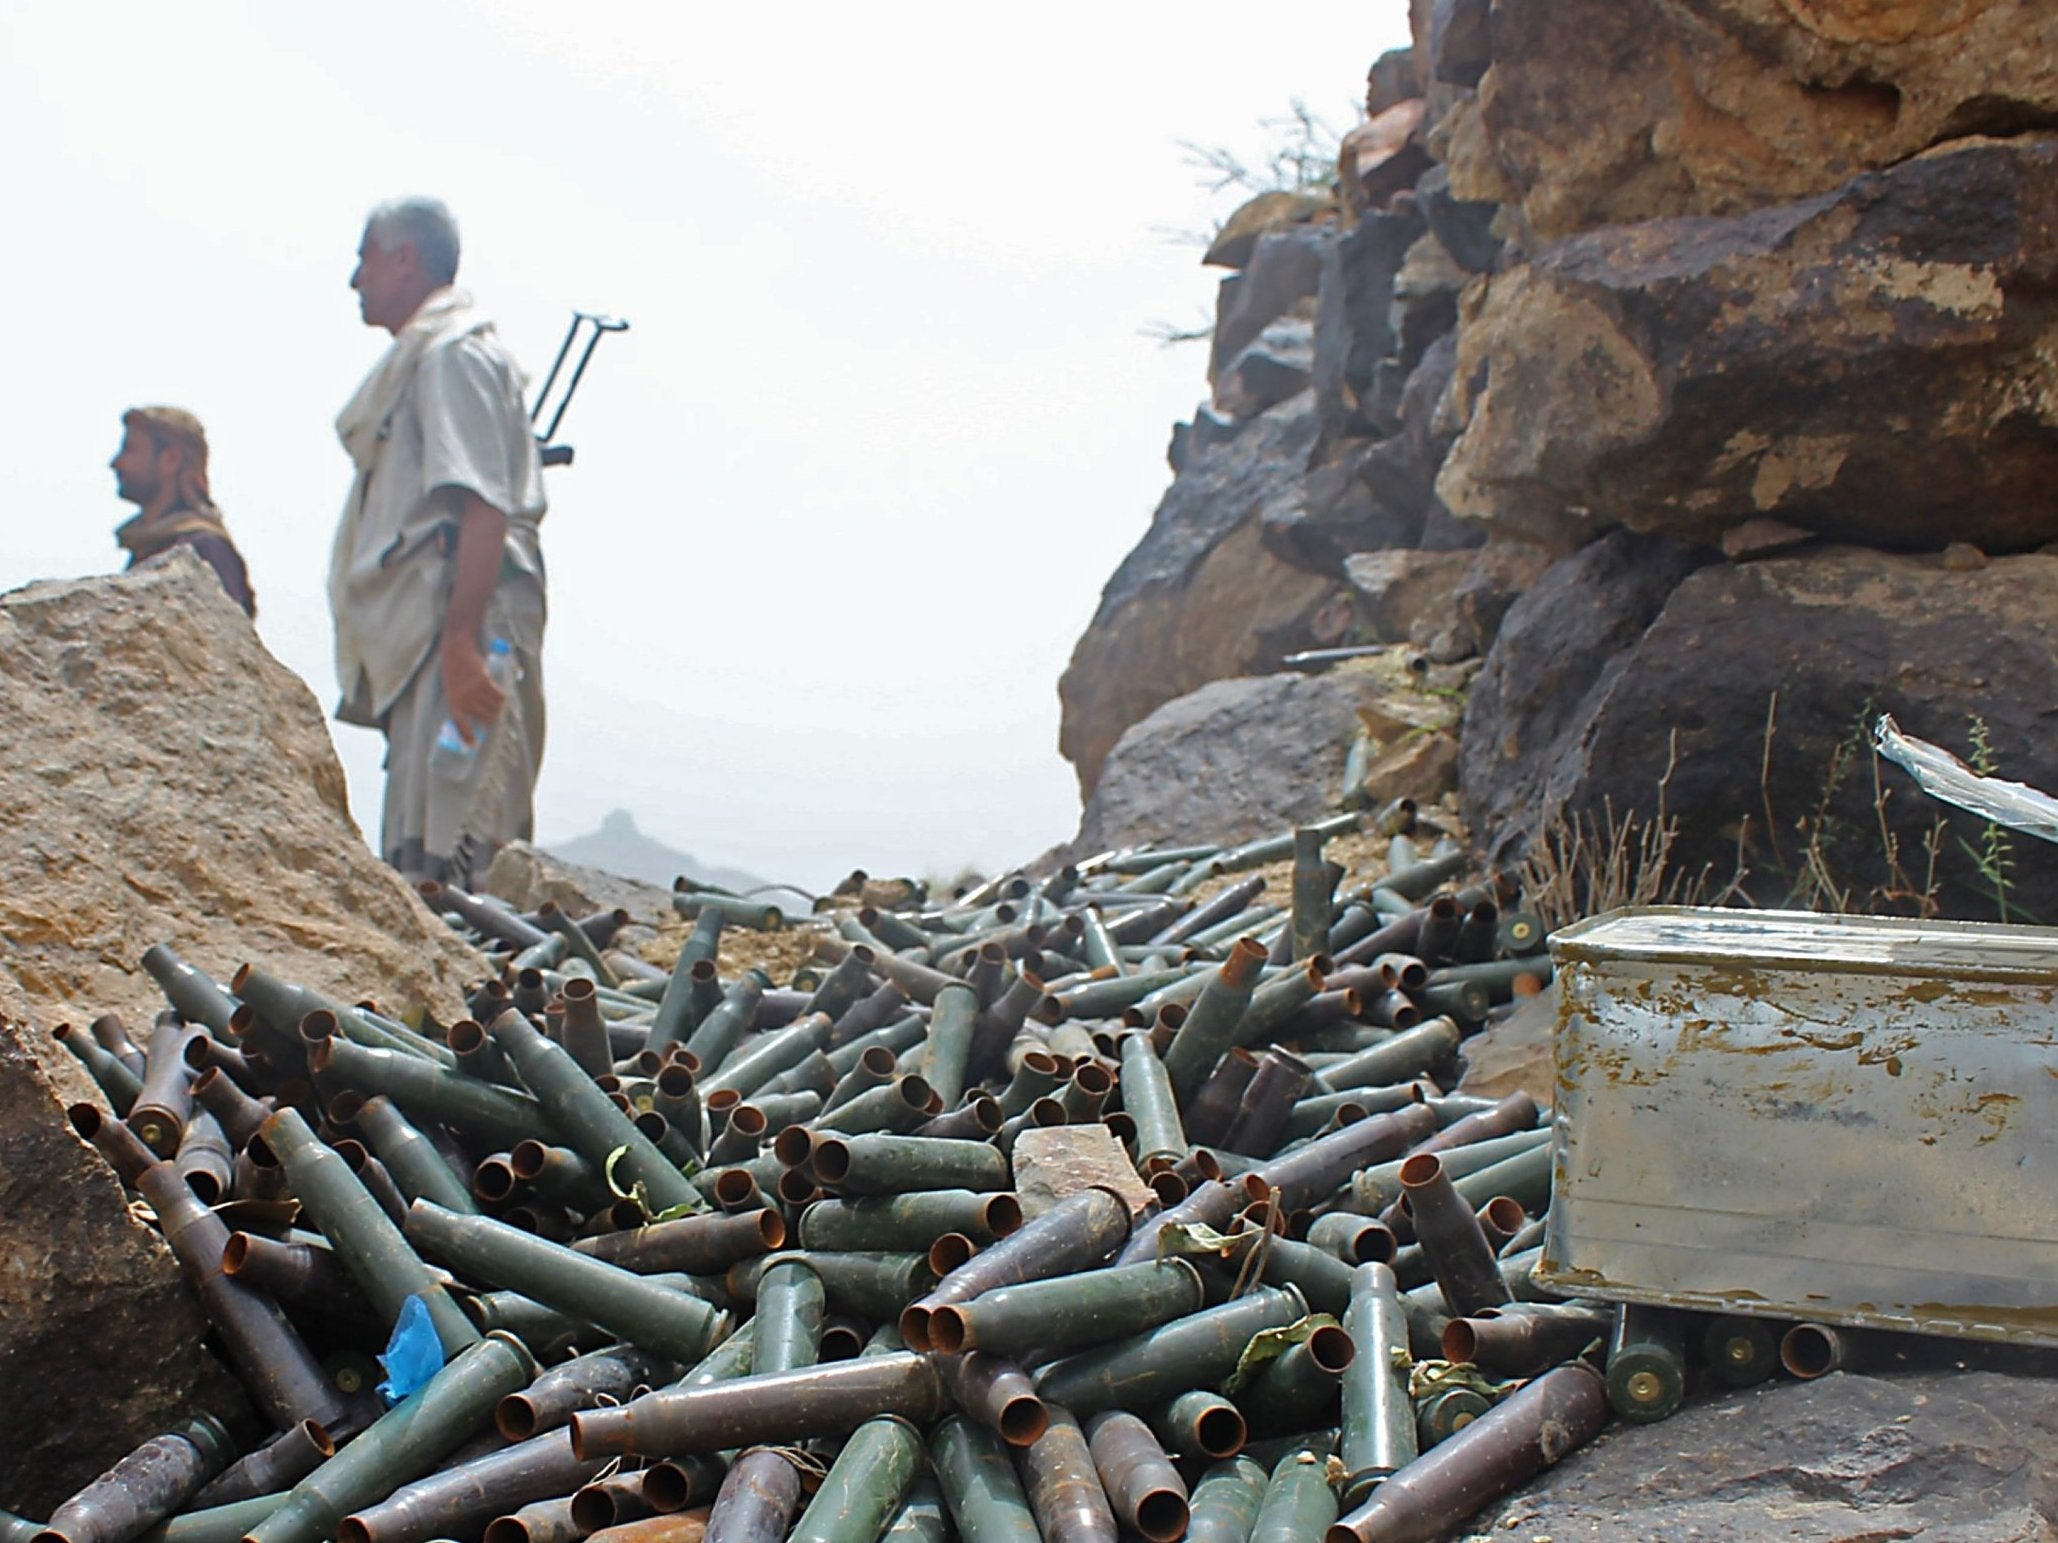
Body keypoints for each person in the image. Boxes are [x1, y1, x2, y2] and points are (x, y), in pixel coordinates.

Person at [329, 196, 547, 884]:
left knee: (462, 857)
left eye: (364, 259)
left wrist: (459, 644)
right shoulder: (428, 359)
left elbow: (484, 504)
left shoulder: (453, 356)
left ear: (403, 259)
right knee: (423, 842)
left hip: (467, 629)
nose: (354, 280)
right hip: (434, 633)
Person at [109, 406, 256, 615]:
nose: (116, 463)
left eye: (130, 449)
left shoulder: (204, 549)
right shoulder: (148, 549)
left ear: (170, 459)